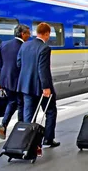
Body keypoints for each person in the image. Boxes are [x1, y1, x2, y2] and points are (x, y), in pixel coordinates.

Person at [17, 22, 60, 150]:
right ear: (46, 34)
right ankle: (48, 138)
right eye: (48, 35)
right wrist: (46, 87)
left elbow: (19, 63)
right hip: (41, 87)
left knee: (29, 115)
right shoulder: (44, 48)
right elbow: (43, 69)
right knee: (51, 111)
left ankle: (26, 142)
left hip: (26, 86)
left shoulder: (25, 46)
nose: (48, 37)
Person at [0, 24, 31, 139]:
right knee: (21, 104)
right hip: (18, 80)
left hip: (5, 79)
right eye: (28, 33)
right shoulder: (25, 47)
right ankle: (20, 129)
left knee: (12, 102)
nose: (29, 36)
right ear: (23, 34)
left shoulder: (4, 44)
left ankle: (3, 125)